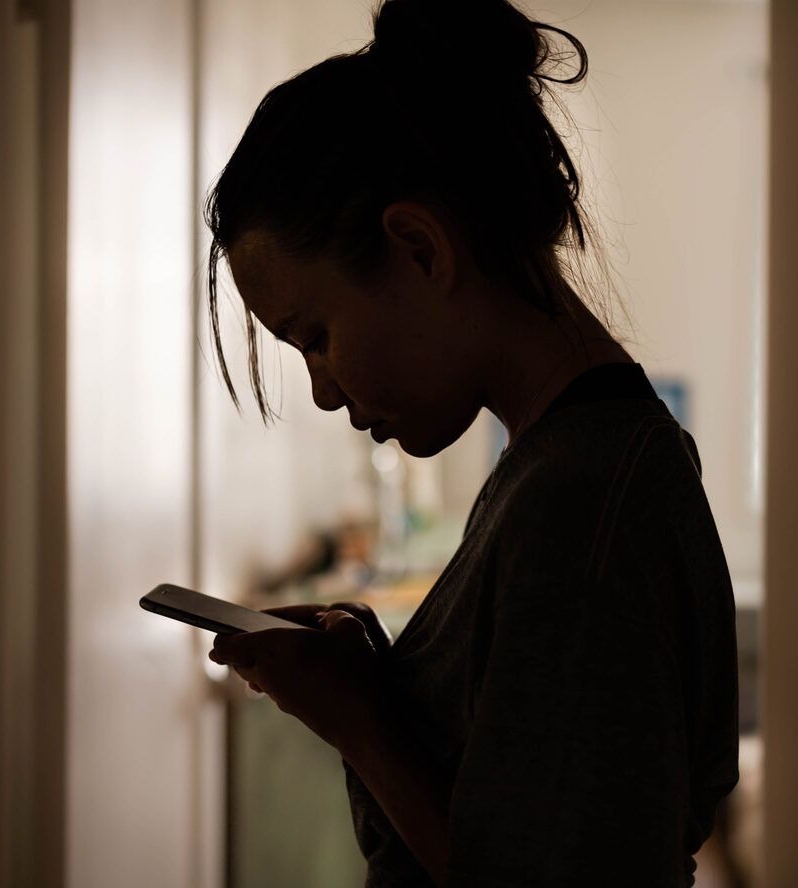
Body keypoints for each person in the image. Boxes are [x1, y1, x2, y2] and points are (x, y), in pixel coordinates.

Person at [205, 1, 739, 885]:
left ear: (418, 249)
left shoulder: (580, 502)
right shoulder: (559, 466)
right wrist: (372, 684)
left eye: (315, 335)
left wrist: (361, 725)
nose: (324, 392)